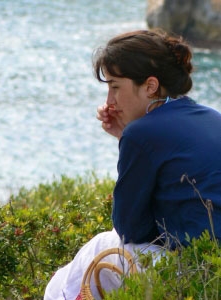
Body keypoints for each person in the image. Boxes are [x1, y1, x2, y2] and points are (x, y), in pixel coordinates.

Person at [44, 29, 221, 300]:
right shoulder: (212, 117)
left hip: (189, 269)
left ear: (150, 86)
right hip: (213, 266)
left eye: (115, 87)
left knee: (100, 247)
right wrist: (125, 134)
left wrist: (130, 135)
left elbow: (130, 229)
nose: (109, 102)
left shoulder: (142, 134)